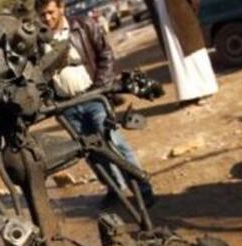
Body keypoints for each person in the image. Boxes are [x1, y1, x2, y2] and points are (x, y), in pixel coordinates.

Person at [37, 0, 155, 206]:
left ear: (61, 8)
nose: (47, 18)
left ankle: (142, 189)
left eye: (50, 12)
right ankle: (114, 188)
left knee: (114, 143)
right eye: (42, 15)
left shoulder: (83, 25)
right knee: (91, 152)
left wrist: (99, 87)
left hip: (94, 98)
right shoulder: (38, 42)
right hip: (66, 106)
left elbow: (106, 54)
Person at [152, 0, 218, 105]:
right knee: (176, 58)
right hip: (165, 22)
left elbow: (195, 2)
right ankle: (187, 95)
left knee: (194, 55)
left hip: (183, 17)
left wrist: (190, 12)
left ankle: (205, 91)